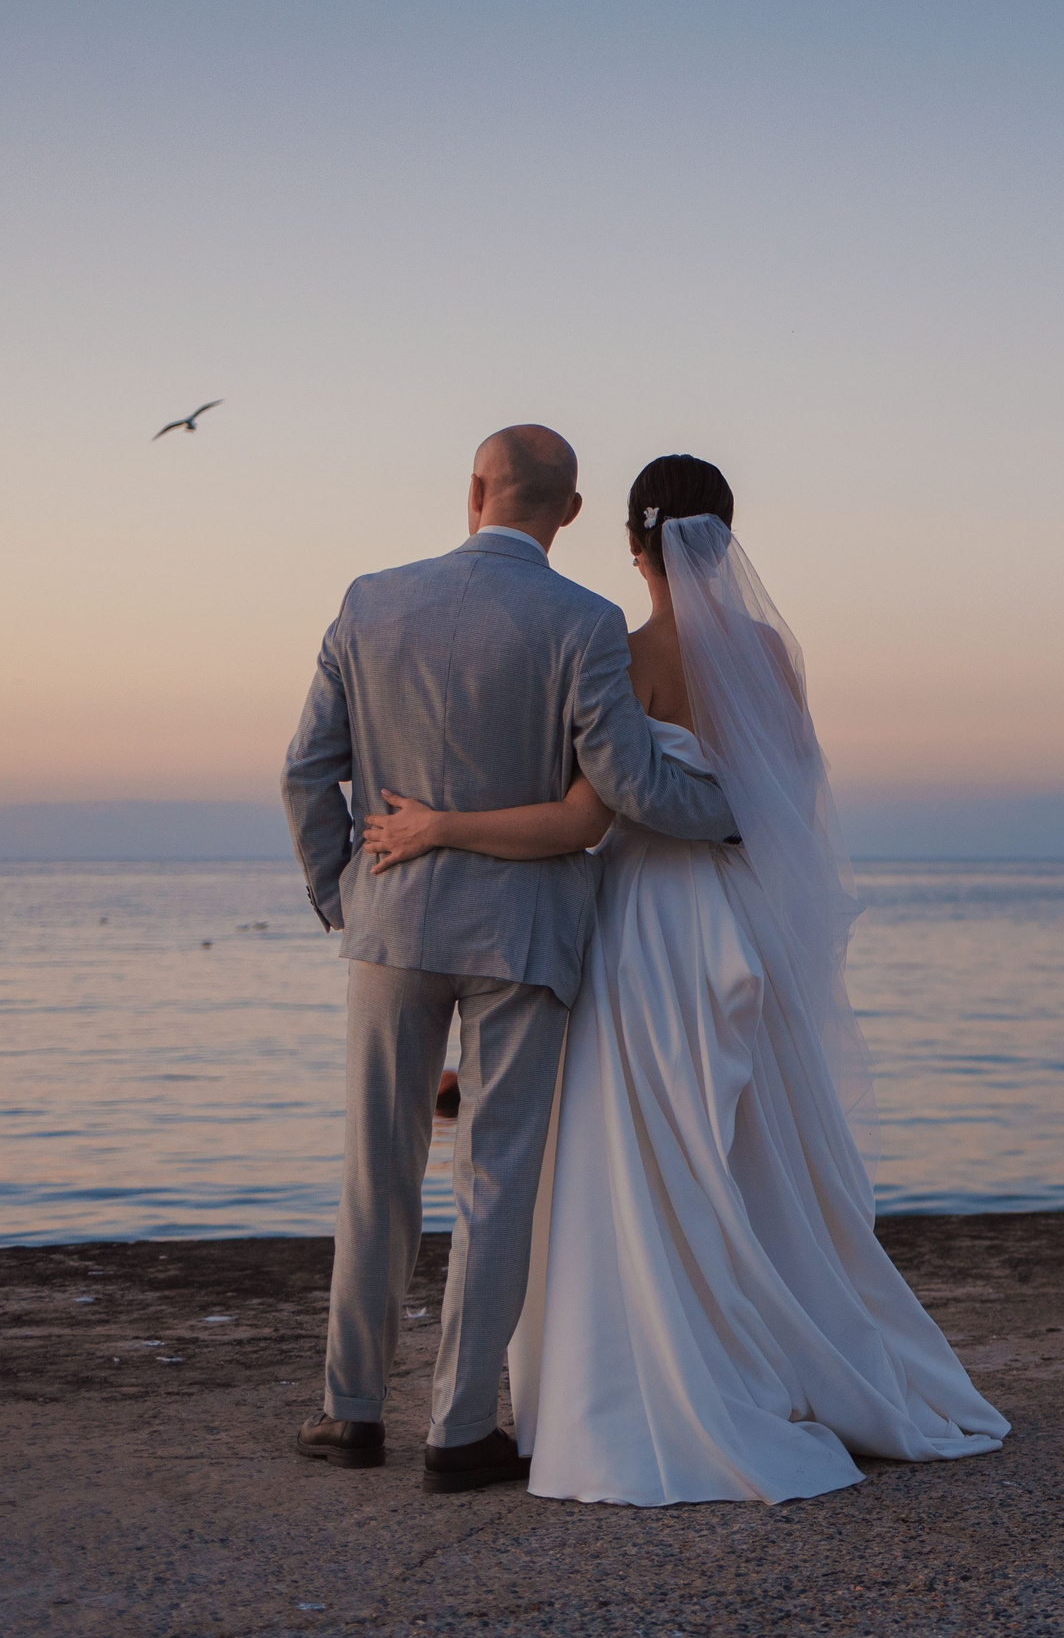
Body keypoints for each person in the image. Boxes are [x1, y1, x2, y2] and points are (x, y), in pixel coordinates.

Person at [359, 454, 1007, 1503]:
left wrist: (442, 825)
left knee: (634, 1141)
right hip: (741, 913)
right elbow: (778, 799)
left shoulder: (625, 650)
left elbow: (587, 816)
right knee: (757, 1142)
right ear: (726, 534)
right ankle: (789, 1346)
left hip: (648, 921)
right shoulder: (768, 653)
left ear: (629, 542)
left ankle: (663, 1356)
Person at [282, 427, 740, 1492]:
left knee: (374, 1172)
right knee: (493, 1181)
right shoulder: (581, 620)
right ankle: (456, 1429)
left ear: (474, 491)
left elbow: (307, 772)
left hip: (391, 924)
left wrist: (344, 897)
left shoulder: (368, 600)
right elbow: (627, 779)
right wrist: (738, 814)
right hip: (524, 931)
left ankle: (349, 1411)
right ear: (570, 513)